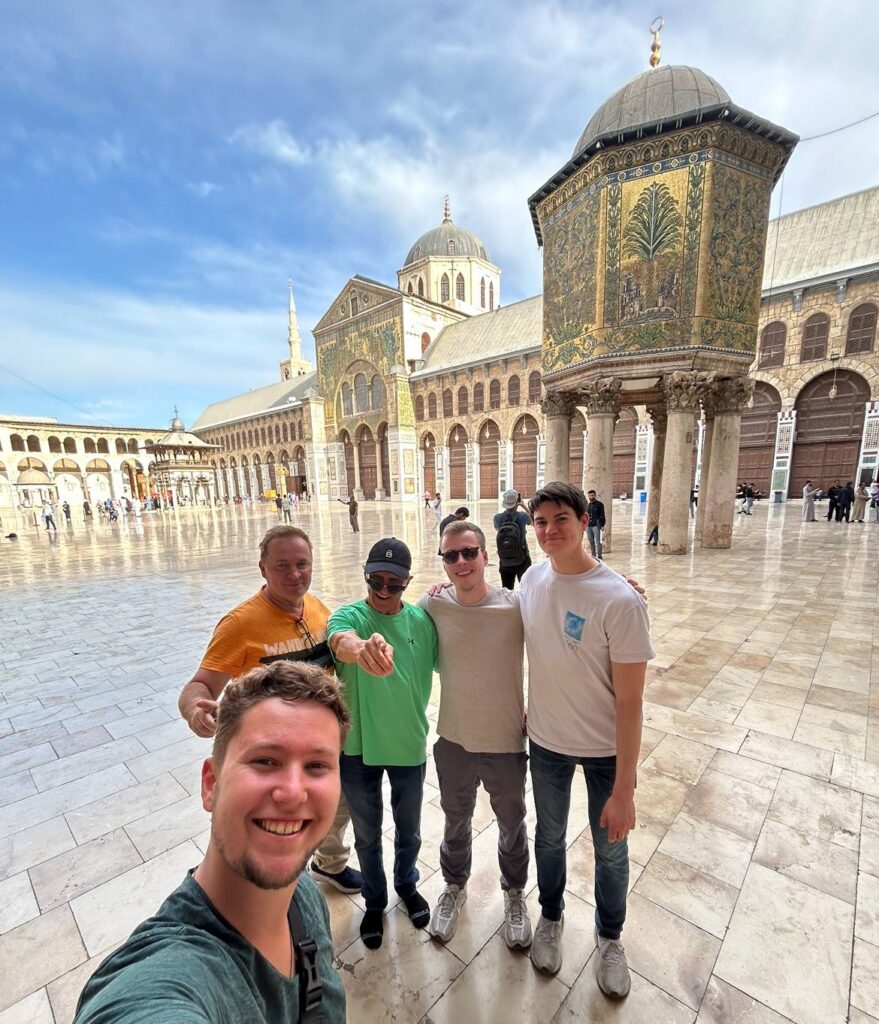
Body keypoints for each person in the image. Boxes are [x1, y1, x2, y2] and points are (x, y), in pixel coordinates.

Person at [74, 660, 348, 1023]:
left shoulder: (306, 895)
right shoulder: (167, 976)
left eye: (316, 766)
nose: (293, 792)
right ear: (210, 785)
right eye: (265, 761)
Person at [521, 481, 653, 999]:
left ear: (584, 521)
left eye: (560, 520)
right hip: (548, 741)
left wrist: (626, 790)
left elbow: (630, 702)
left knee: (611, 850)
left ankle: (610, 937)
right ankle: (550, 917)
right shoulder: (531, 580)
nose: (550, 531)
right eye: (541, 523)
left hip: (604, 752)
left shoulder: (618, 599)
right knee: (549, 838)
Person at [178, 525, 362, 896]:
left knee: (334, 809)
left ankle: (329, 864)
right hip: (273, 753)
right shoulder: (240, 623)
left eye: (302, 564)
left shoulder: (316, 608)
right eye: (282, 566)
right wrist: (195, 711)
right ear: (263, 569)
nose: (294, 575)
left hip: (319, 745)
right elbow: (199, 686)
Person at [421, 520, 531, 949]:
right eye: (451, 556)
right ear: (444, 564)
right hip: (455, 739)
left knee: (512, 823)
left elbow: (562, 635)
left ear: (487, 557)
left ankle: (515, 893)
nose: (461, 562)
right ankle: (453, 886)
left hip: (505, 740)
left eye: (469, 553)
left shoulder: (516, 606)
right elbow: (385, 615)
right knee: (455, 820)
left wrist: (622, 589)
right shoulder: (434, 605)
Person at [327, 538, 438, 951]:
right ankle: (375, 901)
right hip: (356, 749)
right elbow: (341, 639)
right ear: (366, 577)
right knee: (367, 834)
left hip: (408, 742)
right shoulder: (351, 615)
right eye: (376, 580)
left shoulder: (423, 623)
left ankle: (406, 884)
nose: (384, 591)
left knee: (409, 830)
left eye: (395, 583)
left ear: (408, 582)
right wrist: (361, 649)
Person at [493, 490, 532, 590]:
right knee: (526, 589)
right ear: (517, 501)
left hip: (505, 559)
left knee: (507, 590)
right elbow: (534, 521)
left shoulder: (497, 518)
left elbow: (499, 531)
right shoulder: (523, 516)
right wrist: (523, 505)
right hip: (523, 558)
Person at [585, 489, 606, 560]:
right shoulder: (588, 505)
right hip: (589, 526)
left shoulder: (600, 504)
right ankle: (593, 555)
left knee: (598, 541)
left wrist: (602, 525)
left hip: (596, 525)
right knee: (591, 541)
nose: (591, 497)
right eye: (590, 496)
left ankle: (599, 555)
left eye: (592, 495)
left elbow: (602, 515)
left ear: (595, 495)